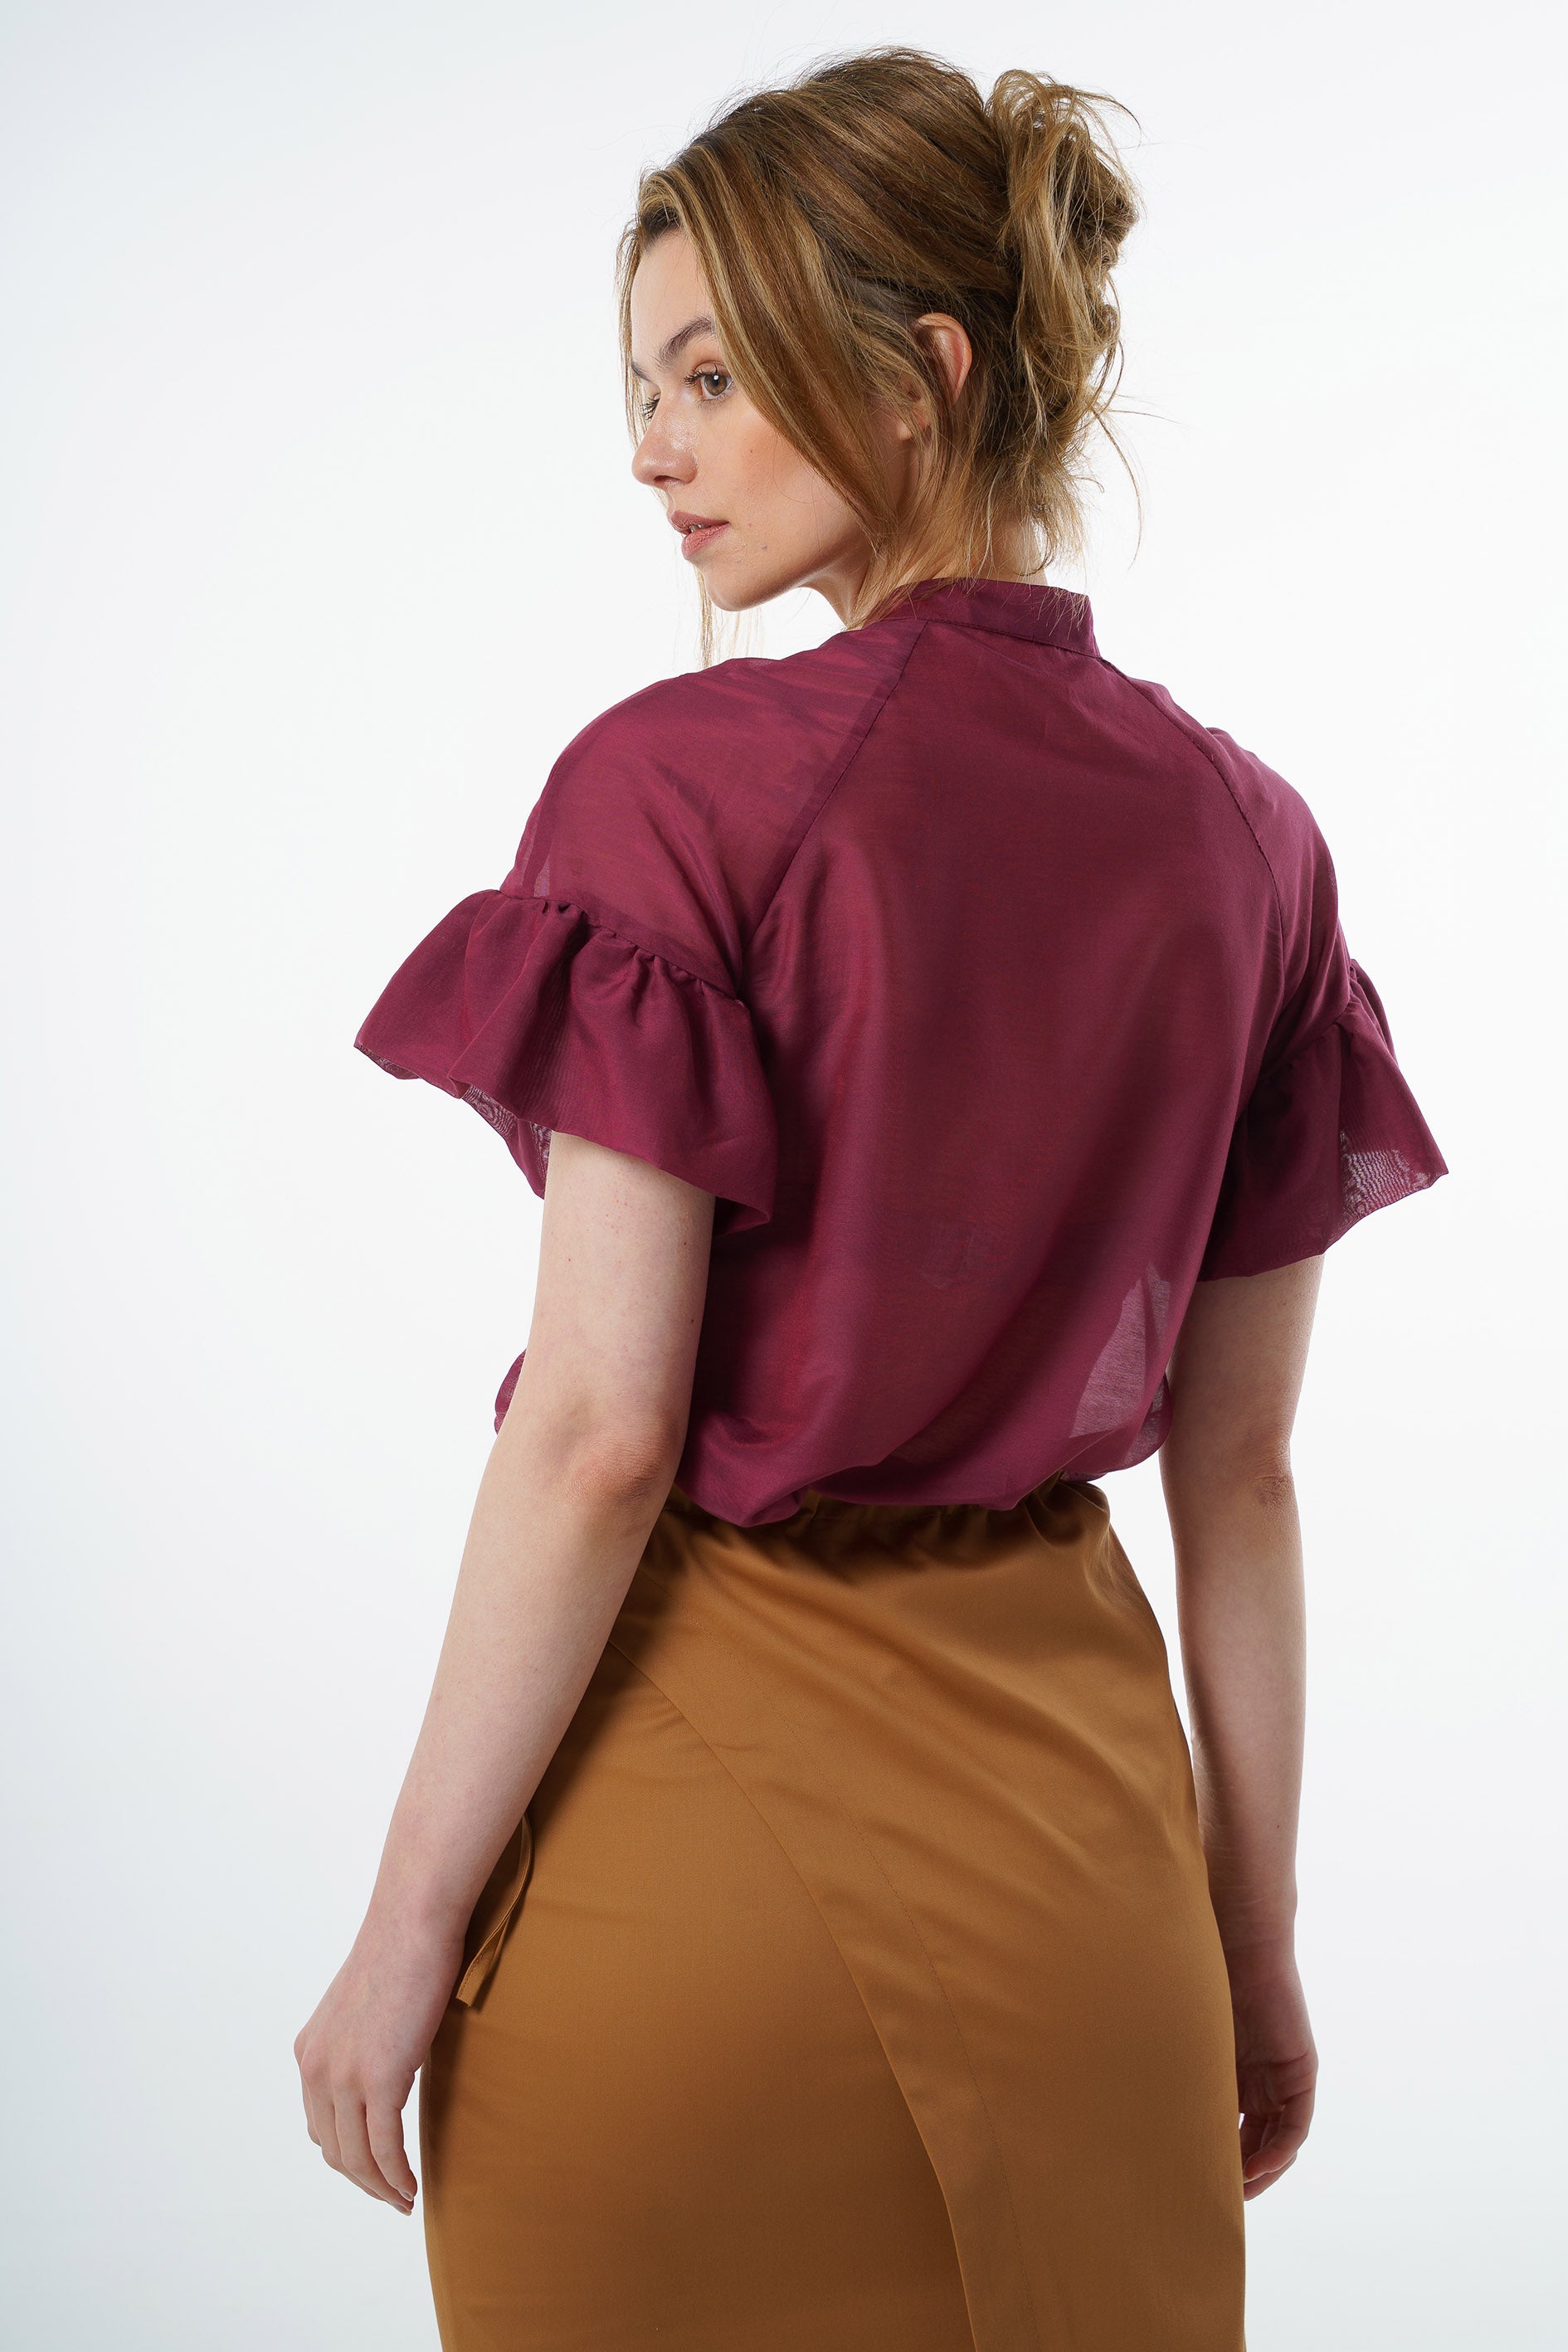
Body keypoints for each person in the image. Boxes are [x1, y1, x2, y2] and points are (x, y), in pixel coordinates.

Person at [294, 46, 1448, 2352]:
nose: (651, 446)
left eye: (711, 373)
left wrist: (400, 1927)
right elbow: (1237, 1473)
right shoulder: (1248, 840)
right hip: (1084, 1887)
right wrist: (1246, 1938)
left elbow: (602, 1430)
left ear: (922, 371)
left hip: (694, 1854)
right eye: (640, 383)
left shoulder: (675, 791)